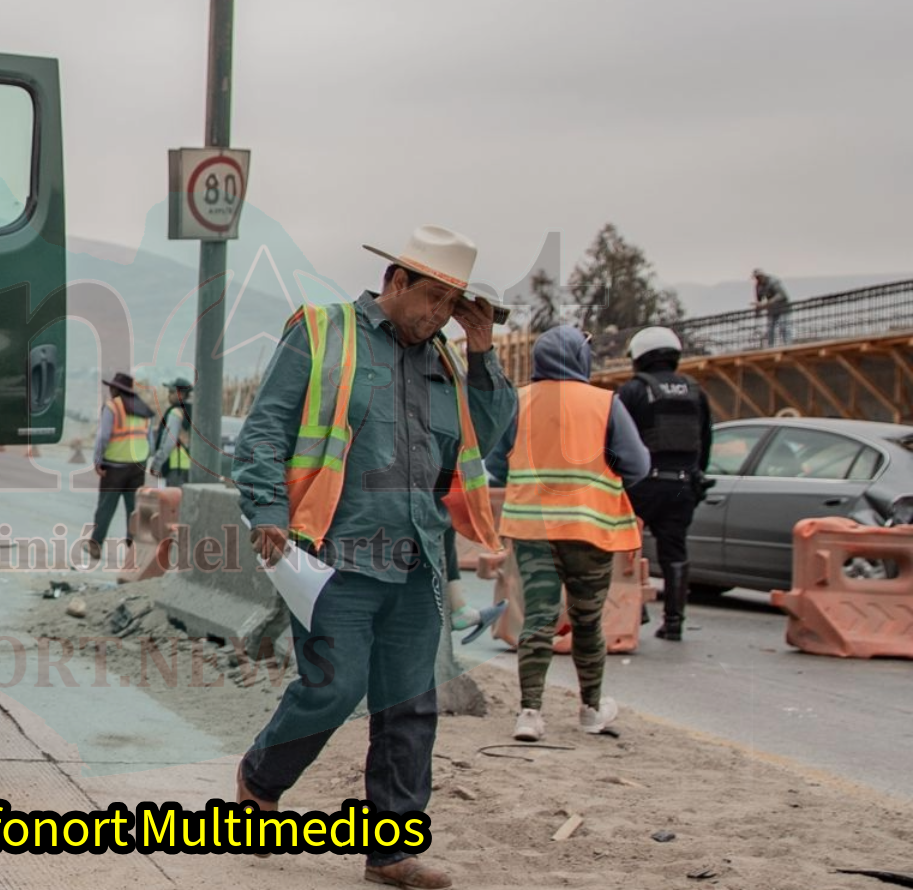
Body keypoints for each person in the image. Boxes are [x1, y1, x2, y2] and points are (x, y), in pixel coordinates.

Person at [233, 225, 514, 890]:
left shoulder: (447, 360)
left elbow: (489, 435)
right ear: (396, 282)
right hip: (334, 555)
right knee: (333, 688)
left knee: (410, 704)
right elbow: (266, 428)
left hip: (418, 558)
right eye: (434, 298)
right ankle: (261, 777)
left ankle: (390, 850)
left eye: (453, 303)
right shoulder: (325, 332)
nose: (440, 314)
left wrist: (482, 353)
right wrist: (268, 511)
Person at [488, 326, 649, 743]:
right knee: (587, 620)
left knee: (537, 618)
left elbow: (495, 462)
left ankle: (530, 713)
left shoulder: (517, 402)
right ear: (581, 359)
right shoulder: (604, 403)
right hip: (589, 530)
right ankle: (591, 709)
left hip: (531, 527)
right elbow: (637, 465)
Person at [618, 326, 714, 641]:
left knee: (625, 547)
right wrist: (694, 475)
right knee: (675, 552)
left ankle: (633, 611)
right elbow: (705, 442)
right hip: (682, 485)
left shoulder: (633, 391)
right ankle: (674, 622)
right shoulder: (695, 390)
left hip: (642, 485)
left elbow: (619, 439)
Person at [87, 371, 153, 562]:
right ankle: (134, 548)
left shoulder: (112, 407)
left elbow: (103, 437)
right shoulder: (143, 408)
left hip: (115, 466)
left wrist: (98, 460)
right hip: (138, 465)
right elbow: (150, 438)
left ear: (115, 389)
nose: (110, 390)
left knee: (106, 507)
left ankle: (95, 545)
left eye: (111, 387)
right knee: (134, 509)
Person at [148, 378, 193, 488]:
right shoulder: (194, 411)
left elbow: (168, 442)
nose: (169, 395)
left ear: (182, 394)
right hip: (193, 466)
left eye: (172, 392)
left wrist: (156, 464)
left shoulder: (175, 412)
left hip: (176, 465)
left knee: (175, 502)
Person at [753, 268, 792, 347]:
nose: (758, 279)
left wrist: (768, 302)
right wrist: (758, 310)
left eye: (759, 277)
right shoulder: (758, 286)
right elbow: (759, 300)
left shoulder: (773, 281)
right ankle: (770, 346)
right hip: (772, 310)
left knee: (783, 327)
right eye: (756, 278)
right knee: (770, 329)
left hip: (783, 308)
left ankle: (788, 345)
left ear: (762, 276)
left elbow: (782, 295)